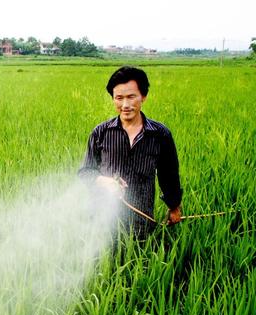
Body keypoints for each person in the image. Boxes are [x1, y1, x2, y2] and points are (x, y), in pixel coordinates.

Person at [78, 66, 183, 237]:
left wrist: (174, 207)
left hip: (142, 220)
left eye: (131, 97)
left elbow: (169, 175)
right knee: (105, 261)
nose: (125, 105)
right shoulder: (101, 133)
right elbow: (85, 172)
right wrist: (104, 181)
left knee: (141, 260)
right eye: (119, 98)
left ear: (143, 97)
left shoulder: (160, 134)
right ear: (113, 99)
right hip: (104, 220)